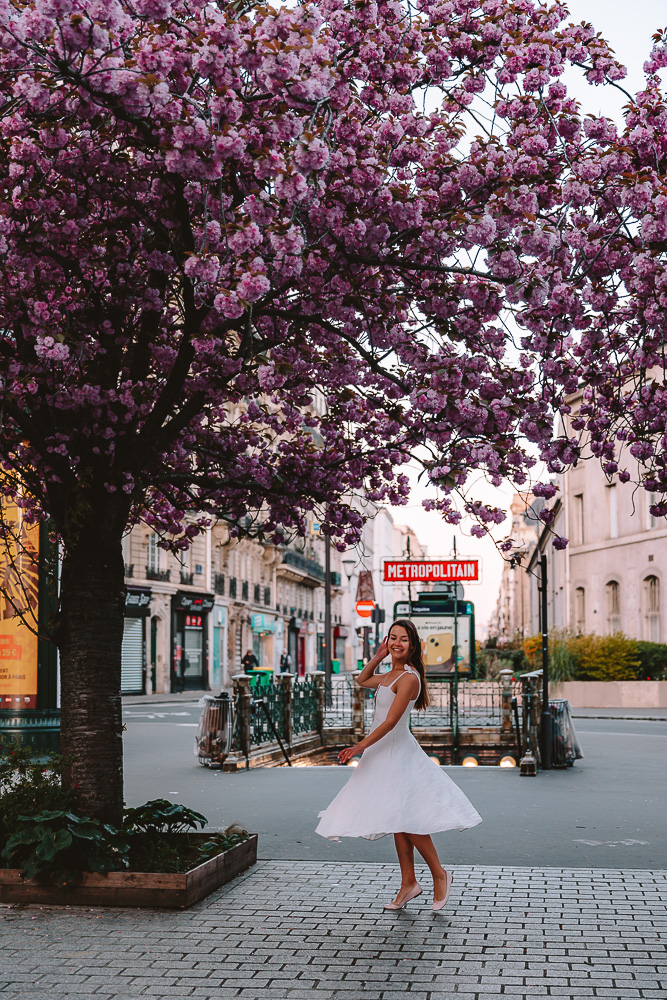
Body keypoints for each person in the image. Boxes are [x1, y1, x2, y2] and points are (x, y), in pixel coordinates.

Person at [315, 619, 482, 911]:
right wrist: (378, 656)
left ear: (413, 645)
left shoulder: (409, 678)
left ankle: (440, 874)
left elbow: (391, 723)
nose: (397, 643)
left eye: (403, 639)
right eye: (393, 638)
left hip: (397, 753)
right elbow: (362, 680)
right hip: (382, 754)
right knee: (398, 821)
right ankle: (409, 884)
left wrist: (359, 746)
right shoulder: (390, 673)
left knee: (410, 821)